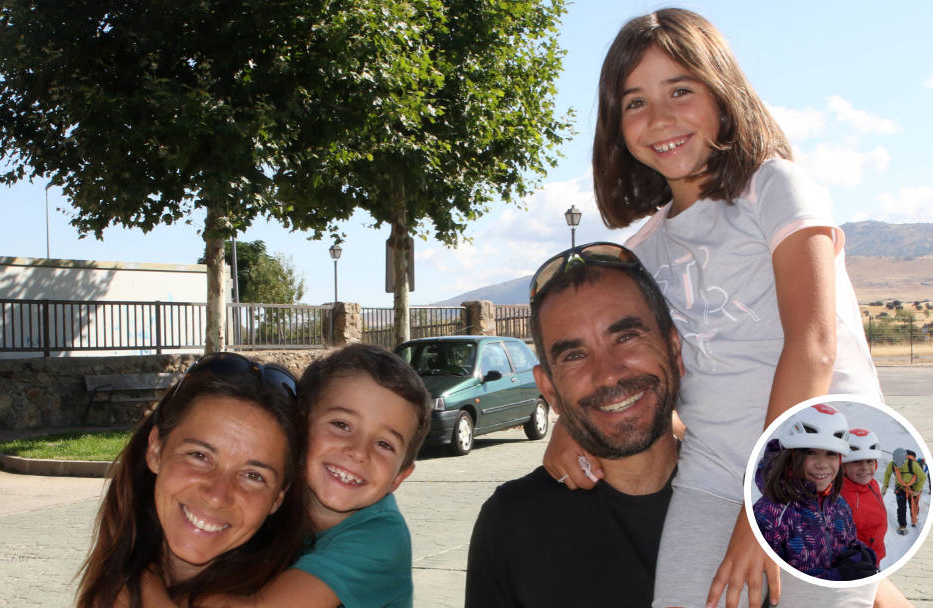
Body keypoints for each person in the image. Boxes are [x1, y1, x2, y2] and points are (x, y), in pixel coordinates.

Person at [544, 8, 883, 607]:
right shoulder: (642, 252)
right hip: (714, 476)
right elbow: (662, 384)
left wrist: (766, 511)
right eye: (635, 102)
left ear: (722, 92)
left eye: (680, 90)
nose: (661, 117)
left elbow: (815, 345)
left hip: (812, 465)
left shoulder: (775, 187)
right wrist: (577, 434)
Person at [465, 243, 681, 607]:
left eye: (626, 337)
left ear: (675, 348)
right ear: (548, 387)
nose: (608, 374)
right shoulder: (514, 525)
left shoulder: (760, 502)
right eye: (575, 355)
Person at [187, 343, 432, 608]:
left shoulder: (381, 539)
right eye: (341, 425)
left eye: (384, 444)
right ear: (300, 425)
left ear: (399, 477)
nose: (358, 452)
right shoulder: (275, 496)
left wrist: (140, 578)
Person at [76, 352, 308, 608]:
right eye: (200, 456)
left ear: (278, 497)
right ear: (155, 450)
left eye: (253, 476)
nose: (217, 495)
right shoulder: (122, 578)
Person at [752, 404, 878, 581]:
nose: (822, 464)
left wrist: (861, 555)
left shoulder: (839, 505)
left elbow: (848, 543)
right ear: (791, 456)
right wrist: (837, 577)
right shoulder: (770, 515)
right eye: (811, 452)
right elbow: (768, 582)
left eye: (831, 454)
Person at [842, 427, 889, 563]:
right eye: (856, 462)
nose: (865, 467)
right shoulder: (841, 497)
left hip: (875, 553)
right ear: (843, 465)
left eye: (869, 461)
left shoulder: (872, 483)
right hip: (859, 563)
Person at [883, 447, 927, 535]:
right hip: (900, 488)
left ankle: (914, 518)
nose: (898, 465)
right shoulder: (892, 465)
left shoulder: (913, 465)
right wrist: (885, 486)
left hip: (913, 488)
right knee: (901, 508)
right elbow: (887, 474)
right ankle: (902, 525)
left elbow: (923, 477)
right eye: (897, 462)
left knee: (913, 506)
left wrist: (917, 490)